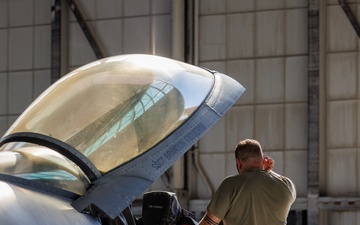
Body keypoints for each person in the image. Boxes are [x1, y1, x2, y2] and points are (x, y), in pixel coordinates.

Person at [198, 139, 296, 225]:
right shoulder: (287, 185)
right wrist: (268, 171)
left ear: (239, 163)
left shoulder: (230, 184)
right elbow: (276, 179)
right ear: (262, 160)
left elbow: (208, 224)